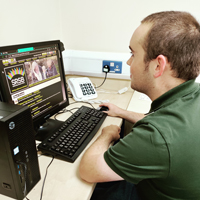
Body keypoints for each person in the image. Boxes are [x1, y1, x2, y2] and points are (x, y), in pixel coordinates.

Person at [79, 11, 200, 200]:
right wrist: (122, 112)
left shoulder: (157, 137)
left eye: (133, 54)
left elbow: (88, 170)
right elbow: (167, 129)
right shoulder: (193, 96)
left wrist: (107, 135)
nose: (128, 61)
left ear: (158, 66)